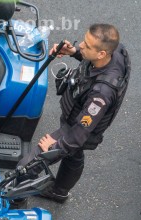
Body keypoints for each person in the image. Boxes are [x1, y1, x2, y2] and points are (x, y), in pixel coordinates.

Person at [17, 23, 130, 203]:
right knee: (74, 154)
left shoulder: (101, 94)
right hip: (76, 116)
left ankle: (16, 198)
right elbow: (92, 63)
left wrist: (53, 148)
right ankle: (59, 192)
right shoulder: (114, 52)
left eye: (87, 46)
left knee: (25, 166)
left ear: (101, 54)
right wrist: (73, 52)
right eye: (84, 42)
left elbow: (77, 136)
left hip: (78, 129)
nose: (82, 46)